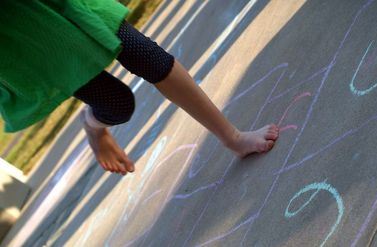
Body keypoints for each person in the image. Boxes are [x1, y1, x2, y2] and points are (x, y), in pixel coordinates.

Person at [0, 0, 279, 175]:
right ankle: (93, 126)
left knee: (149, 58)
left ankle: (233, 138)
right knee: (119, 104)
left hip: (53, 5)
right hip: (24, 39)